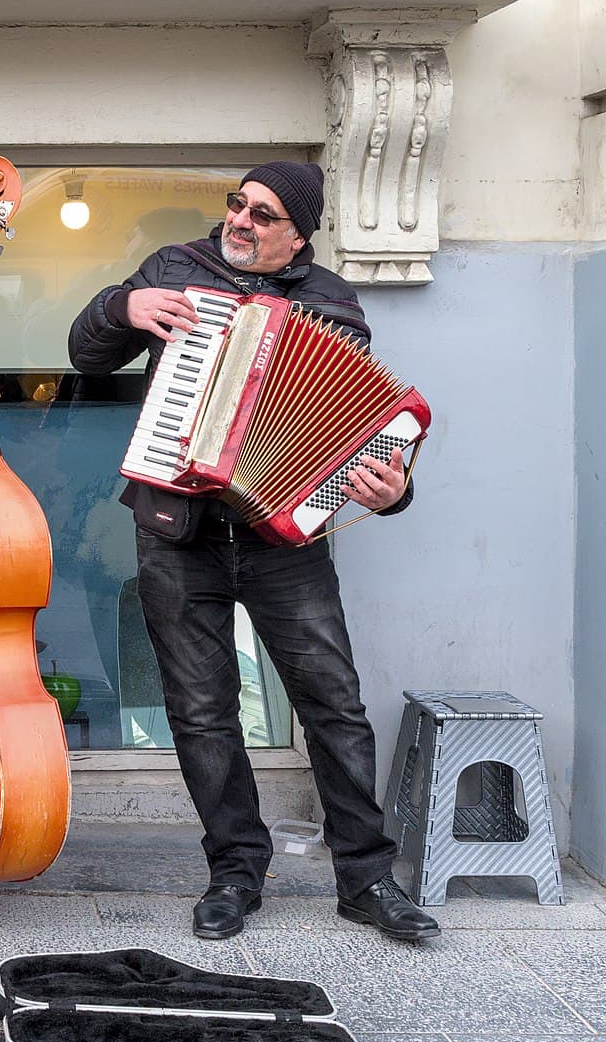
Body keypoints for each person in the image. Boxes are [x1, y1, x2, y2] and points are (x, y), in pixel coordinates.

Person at [68, 161, 440, 942]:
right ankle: (235, 871)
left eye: (262, 214)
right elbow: (87, 354)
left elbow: (362, 431)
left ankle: (366, 878)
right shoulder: (176, 268)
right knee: (202, 712)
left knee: (333, 705)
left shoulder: (334, 302)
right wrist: (120, 306)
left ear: (297, 234)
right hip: (179, 530)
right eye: (237, 204)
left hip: (282, 542)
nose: (239, 219)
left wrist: (390, 489)